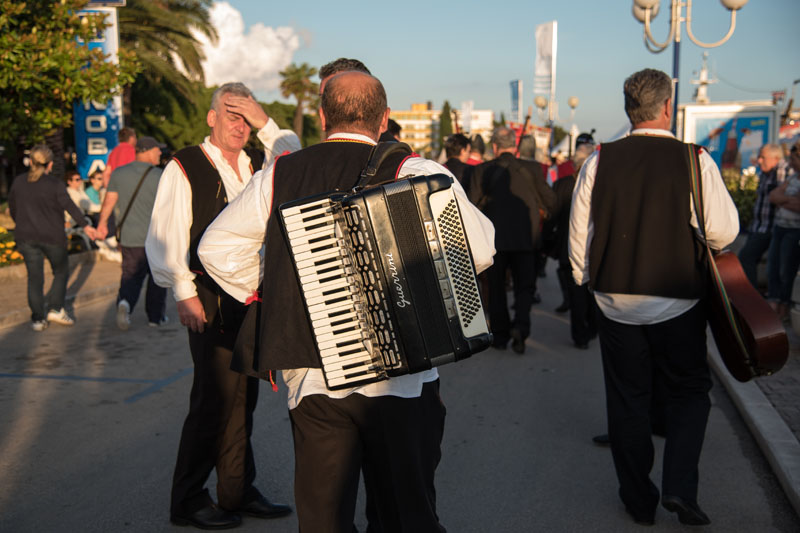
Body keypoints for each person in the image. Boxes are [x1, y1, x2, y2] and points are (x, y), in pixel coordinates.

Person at [198, 71, 495, 532]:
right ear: (385, 119)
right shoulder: (418, 171)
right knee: (405, 515)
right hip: (404, 379)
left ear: (321, 116)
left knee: (324, 520)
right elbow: (480, 249)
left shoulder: (280, 172)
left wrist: (282, 287)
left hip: (314, 380)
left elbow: (214, 248)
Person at [569, 68, 739, 526]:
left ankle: (638, 500)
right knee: (689, 392)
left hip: (614, 300)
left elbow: (580, 239)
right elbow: (722, 230)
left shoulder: (598, 159)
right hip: (678, 299)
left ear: (629, 109)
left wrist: (589, 285)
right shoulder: (693, 159)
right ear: (668, 107)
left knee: (627, 400)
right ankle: (681, 488)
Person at [145, 82, 299, 530]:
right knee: (213, 400)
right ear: (211, 118)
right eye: (230, 114)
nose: (239, 124)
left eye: (245, 116)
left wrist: (264, 119)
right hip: (207, 296)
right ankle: (188, 498)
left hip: (250, 296)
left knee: (242, 399)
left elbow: (295, 156)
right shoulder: (185, 164)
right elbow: (165, 233)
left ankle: (236, 490)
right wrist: (183, 292)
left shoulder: (256, 162)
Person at [469, 126, 555, 354]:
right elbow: (551, 200)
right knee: (524, 287)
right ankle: (521, 327)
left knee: (496, 289)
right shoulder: (533, 169)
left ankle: (500, 336)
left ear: (495, 146)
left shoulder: (481, 171)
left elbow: (471, 206)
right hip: (526, 241)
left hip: (494, 243)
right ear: (514, 146)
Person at [8, 145, 97, 330]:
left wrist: (22, 223)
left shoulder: (19, 182)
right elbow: (71, 207)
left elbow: (13, 209)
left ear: (31, 162)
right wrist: (86, 226)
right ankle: (55, 309)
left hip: (26, 237)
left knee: (35, 277)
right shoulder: (55, 185)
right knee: (61, 272)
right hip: (52, 237)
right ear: (49, 165)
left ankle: (38, 319)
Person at [95, 136, 168, 330]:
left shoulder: (119, 173)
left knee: (130, 275)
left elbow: (109, 202)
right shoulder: (160, 176)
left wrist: (102, 225)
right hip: (156, 239)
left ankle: (125, 303)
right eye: (156, 150)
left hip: (128, 237)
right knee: (157, 279)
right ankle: (155, 317)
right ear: (147, 151)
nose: (160, 153)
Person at [738, 143, 792, 290]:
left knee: (747, 258)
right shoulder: (765, 173)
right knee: (751, 260)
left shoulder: (782, 170)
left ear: (776, 158)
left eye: (763, 157)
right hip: (760, 227)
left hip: (773, 227)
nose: (759, 160)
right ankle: (756, 297)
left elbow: (780, 197)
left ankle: (754, 299)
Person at [766, 140, 800, 321]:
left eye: (793, 159)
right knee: (773, 266)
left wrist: (782, 199)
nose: (791, 162)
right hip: (780, 227)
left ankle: (783, 307)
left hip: (794, 231)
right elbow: (773, 196)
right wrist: (790, 199)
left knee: (786, 270)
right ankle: (774, 304)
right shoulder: (793, 178)